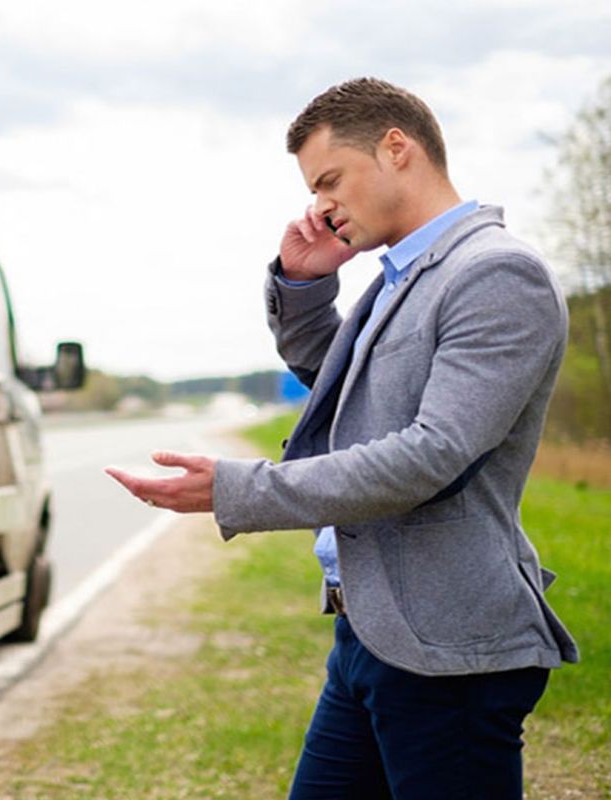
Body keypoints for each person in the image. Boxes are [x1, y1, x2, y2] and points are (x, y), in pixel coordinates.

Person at [105, 77, 578, 798]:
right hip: (370, 631)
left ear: (396, 148)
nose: (320, 204)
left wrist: (239, 489)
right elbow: (347, 393)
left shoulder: (496, 274)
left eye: (329, 180)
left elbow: (430, 456)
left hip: (446, 649)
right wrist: (303, 287)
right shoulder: (398, 276)